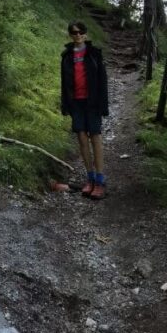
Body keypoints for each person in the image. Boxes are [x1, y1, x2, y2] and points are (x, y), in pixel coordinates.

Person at [60, 20, 109, 200]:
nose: (78, 35)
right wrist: (65, 104)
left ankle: (100, 180)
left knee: (95, 136)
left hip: (93, 102)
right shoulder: (66, 56)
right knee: (81, 137)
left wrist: (104, 105)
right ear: (70, 35)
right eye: (74, 32)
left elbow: (103, 80)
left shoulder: (95, 54)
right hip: (76, 102)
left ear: (86, 34)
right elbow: (64, 83)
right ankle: (89, 178)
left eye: (80, 32)